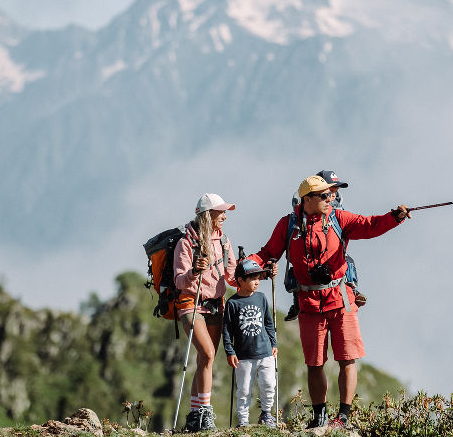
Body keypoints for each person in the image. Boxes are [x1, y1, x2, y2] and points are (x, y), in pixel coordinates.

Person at [247, 175, 410, 429]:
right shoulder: (287, 225)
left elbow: (370, 225)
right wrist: (247, 266)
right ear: (307, 199)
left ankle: (343, 415)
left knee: (348, 358)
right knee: (314, 362)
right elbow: (268, 253)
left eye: (330, 194)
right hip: (309, 302)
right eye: (323, 195)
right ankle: (319, 414)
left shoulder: (338, 218)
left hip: (341, 297)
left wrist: (394, 218)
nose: (329, 198)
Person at [173, 193, 238, 432]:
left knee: (204, 360)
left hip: (215, 306)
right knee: (209, 354)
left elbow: (231, 277)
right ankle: (206, 413)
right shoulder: (186, 243)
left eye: (224, 212)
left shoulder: (224, 242)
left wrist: (254, 274)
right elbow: (179, 281)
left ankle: (193, 416)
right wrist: (193, 272)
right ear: (206, 215)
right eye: (219, 212)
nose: (224, 216)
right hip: (191, 304)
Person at [284, 170, 366, 322]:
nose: (333, 194)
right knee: (298, 269)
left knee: (346, 262)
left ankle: (352, 290)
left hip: (332, 255)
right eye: (331, 189)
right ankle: (297, 302)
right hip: (309, 253)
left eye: (335, 190)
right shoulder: (304, 202)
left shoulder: (336, 205)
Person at [223, 259, 278, 428]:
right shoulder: (232, 303)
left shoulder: (261, 298)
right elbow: (226, 330)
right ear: (240, 281)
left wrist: (273, 342)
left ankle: (267, 413)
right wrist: (229, 351)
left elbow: (268, 322)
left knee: (269, 384)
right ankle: (243, 421)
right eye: (252, 278)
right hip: (243, 356)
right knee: (244, 390)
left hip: (266, 352)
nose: (257, 281)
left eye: (259, 277)